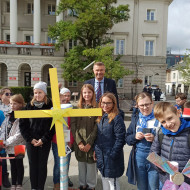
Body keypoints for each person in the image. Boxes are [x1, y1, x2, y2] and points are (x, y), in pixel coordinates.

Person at [19, 81, 55, 190]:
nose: (37, 95)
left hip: (44, 141)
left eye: (40, 92)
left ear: (45, 93)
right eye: (35, 92)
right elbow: (23, 125)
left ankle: (40, 187)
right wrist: (30, 139)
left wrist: (44, 139)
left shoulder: (51, 106)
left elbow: (53, 127)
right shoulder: (28, 107)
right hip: (31, 141)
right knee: (32, 165)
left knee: (42, 165)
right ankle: (34, 187)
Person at [151, 102, 190, 189]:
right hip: (167, 181)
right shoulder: (161, 133)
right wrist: (163, 167)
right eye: (163, 121)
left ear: (178, 113)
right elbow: (152, 155)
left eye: (170, 118)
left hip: (187, 183)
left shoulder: (188, 133)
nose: (168, 124)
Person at [126, 92, 159, 190]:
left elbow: (168, 140)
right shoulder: (136, 119)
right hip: (139, 157)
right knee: (141, 187)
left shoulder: (159, 118)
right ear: (137, 105)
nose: (145, 107)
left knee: (154, 187)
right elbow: (127, 139)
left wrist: (155, 139)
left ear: (152, 103)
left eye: (147, 104)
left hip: (156, 158)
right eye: (141, 105)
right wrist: (134, 137)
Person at [94, 92, 125, 190]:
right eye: (103, 103)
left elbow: (120, 139)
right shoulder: (101, 118)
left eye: (108, 103)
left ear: (113, 104)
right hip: (102, 155)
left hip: (112, 156)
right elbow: (98, 137)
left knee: (112, 182)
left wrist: (113, 154)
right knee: (104, 179)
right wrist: (96, 151)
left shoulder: (117, 118)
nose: (105, 105)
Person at [71, 84, 97, 190]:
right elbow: (73, 126)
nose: (87, 94)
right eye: (85, 92)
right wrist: (79, 142)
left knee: (91, 165)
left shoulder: (97, 107)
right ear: (82, 93)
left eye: (89, 92)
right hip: (80, 143)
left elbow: (97, 126)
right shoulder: (76, 107)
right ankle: (82, 184)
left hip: (91, 142)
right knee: (81, 164)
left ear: (93, 93)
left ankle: (91, 186)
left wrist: (90, 142)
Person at [0, 94, 26, 190]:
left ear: (20, 104)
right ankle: (13, 183)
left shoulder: (22, 116)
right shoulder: (8, 115)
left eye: (14, 103)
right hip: (9, 146)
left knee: (19, 164)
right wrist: (2, 141)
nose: (12, 106)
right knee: (12, 165)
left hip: (19, 145)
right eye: (11, 103)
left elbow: (19, 135)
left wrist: (6, 142)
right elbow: (3, 129)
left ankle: (19, 184)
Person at [52, 87, 74, 190]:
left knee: (66, 162)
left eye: (68, 95)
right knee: (58, 163)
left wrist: (71, 141)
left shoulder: (71, 108)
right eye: (64, 95)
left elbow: (73, 126)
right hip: (57, 140)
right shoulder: (55, 108)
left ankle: (65, 180)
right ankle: (56, 184)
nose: (66, 97)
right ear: (60, 97)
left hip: (68, 140)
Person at [0, 87, 12, 188]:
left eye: (10, 94)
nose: (9, 96)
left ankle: (17, 179)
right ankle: (4, 176)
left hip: (12, 137)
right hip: (1, 138)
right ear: (1, 96)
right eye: (7, 94)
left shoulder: (14, 107)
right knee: (3, 159)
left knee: (15, 159)